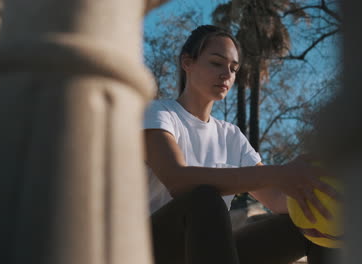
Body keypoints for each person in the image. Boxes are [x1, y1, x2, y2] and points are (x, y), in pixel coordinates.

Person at [144, 25, 340, 264]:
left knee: (315, 225)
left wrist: (318, 190)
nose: (226, 74)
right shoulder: (158, 113)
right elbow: (178, 180)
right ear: (187, 62)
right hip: (151, 251)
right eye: (216, 63)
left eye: (233, 68)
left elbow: (277, 199)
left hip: (209, 252)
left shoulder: (231, 136)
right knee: (203, 198)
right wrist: (278, 173)